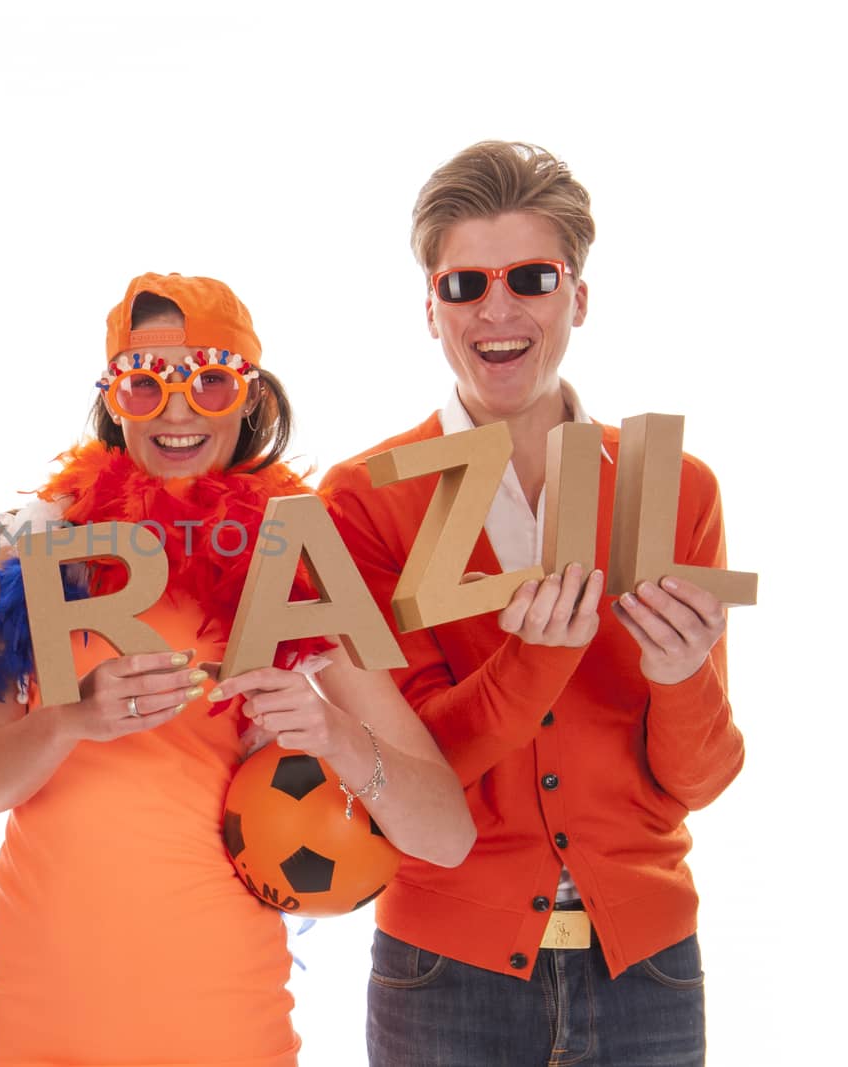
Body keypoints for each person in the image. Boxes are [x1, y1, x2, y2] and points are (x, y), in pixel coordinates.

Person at [0, 273, 475, 1066]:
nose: (176, 412)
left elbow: (444, 832)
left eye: (208, 381)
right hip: (41, 1000)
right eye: (145, 385)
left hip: (220, 1010)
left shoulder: (293, 565)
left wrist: (332, 732)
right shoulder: (35, 544)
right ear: (114, 399)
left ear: (249, 397)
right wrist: (74, 717)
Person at [319, 142, 744, 1066]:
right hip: (444, 970)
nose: (497, 309)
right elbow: (421, 771)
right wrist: (536, 660)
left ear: (578, 297)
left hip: (649, 967)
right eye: (464, 283)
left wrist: (681, 678)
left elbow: (700, 781)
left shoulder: (677, 490)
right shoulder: (363, 498)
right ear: (430, 308)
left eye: (532, 277)